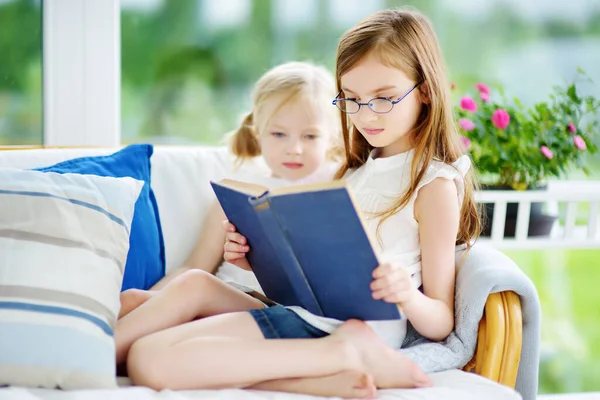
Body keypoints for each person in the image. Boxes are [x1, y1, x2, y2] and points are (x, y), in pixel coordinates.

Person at [125, 8, 481, 399]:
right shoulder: (357, 170)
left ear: (426, 90)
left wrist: (407, 295)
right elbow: (308, 279)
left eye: (384, 98)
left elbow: (441, 320)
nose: (365, 115)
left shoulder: (434, 184)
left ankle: (79, 364)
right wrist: (256, 258)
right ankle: (328, 372)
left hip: (345, 326)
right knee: (191, 285)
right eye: (353, 99)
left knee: (148, 358)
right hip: (309, 316)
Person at [114, 61, 342, 367]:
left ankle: (89, 362)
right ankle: (76, 350)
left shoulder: (339, 186)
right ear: (258, 132)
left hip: (271, 309)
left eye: (310, 137)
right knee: (129, 300)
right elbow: (196, 266)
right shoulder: (237, 191)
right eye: (279, 134)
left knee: (186, 292)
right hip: (223, 297)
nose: (294, 149)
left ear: (334, 138)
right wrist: (154, 299)